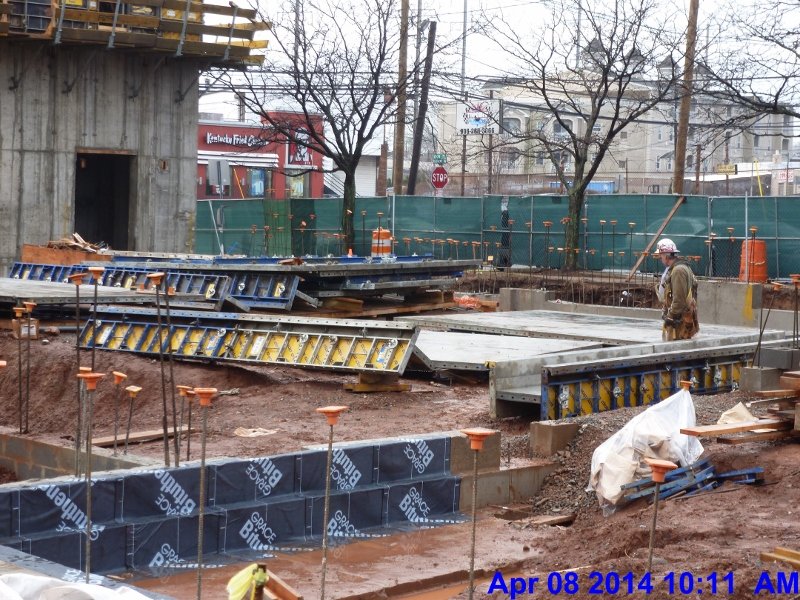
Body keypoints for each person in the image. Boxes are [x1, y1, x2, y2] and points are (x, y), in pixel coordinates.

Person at [653, 238, 699, 341]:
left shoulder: (678, 271)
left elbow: (679, 299)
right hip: (682, 319)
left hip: (679, 322)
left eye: (661, 256)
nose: (661, 259)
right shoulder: (681, 267)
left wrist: (670, 317)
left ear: (666, 255)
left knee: (674, 352)